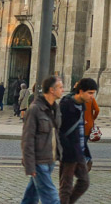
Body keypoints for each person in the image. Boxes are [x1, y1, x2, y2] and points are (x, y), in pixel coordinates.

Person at [20, 75, 64, 204]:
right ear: (51, 90)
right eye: (60, 87)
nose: (63, 90)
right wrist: (30, 165)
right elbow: (27, 138)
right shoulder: (35, 109)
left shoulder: (55, 108)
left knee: (31, 197)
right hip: (39, 161)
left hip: (50, 159)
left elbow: (56, 134)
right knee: (52, 198)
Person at [58, 77, 98, 204]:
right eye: (90, 93)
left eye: (93, 93)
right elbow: (58, 130)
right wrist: (67, 150)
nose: (92, 97)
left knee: (84, 182)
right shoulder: (66, 105)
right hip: (69, 153)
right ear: (80, 91)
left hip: (79, 150)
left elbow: (79, 130)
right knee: (66, 186)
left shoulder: (82, 105)